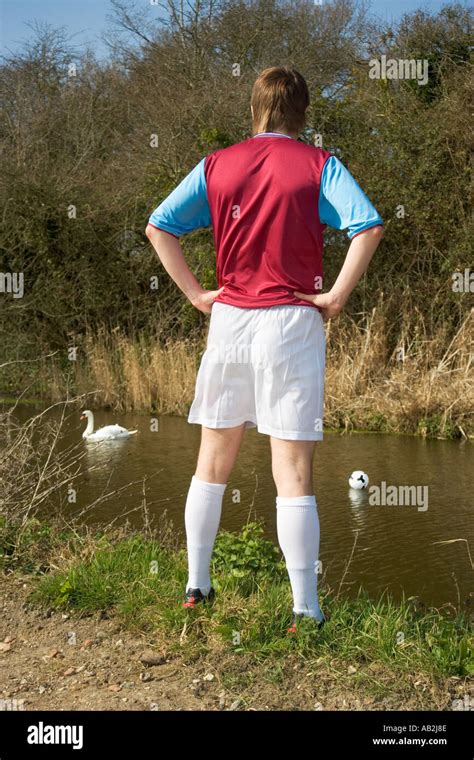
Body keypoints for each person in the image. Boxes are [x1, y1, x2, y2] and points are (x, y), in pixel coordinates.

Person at [145, 66, 383, 633]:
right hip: (292, 322)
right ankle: (305, 608)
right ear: (303, 112)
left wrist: (198, 295)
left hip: (230, 321)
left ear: (253, 107)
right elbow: (368, 227)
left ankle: (196, 586)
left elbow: (159, 227)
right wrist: (335, 297)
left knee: (212, 460)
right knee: (293, 470)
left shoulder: (217, 165)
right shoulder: (319, 165)